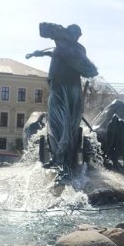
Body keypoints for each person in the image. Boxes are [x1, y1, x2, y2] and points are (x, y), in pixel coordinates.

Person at [26, 22, 98, 179]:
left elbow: (85, 66)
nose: (78, 38)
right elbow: (57, 53)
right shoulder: (66, 48)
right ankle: (60, 160)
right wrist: (41, 54)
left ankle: (62, 162)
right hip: (66, 88)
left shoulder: (71, 49)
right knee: (63, 124)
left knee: (59, 123)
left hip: (62, 88)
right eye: (77, 35)